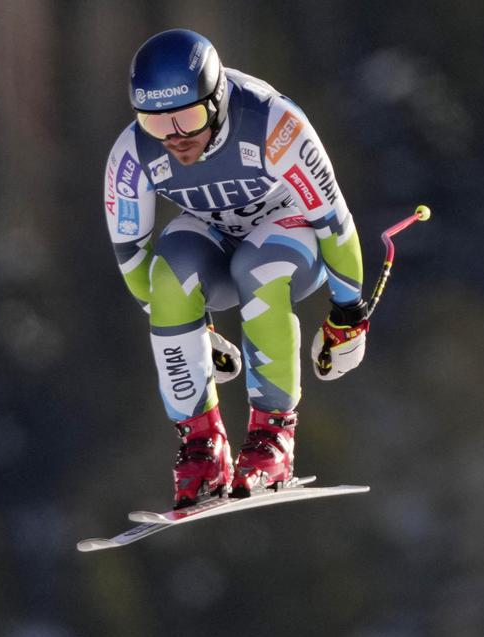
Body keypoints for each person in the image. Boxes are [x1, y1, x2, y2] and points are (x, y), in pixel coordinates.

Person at [103, 29, 369, 503]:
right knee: (169, 275)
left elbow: (333, 221)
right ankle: (202, 443)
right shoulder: (132, 154)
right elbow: (132, 258)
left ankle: (274, 436)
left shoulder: (272, 123)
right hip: (217, 235)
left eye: (188, 117)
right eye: (156, 123)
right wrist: (190, 333)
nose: (176, 138)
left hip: (291, 234)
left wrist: (348, 313)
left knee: (259, 268)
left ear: (218, 100)